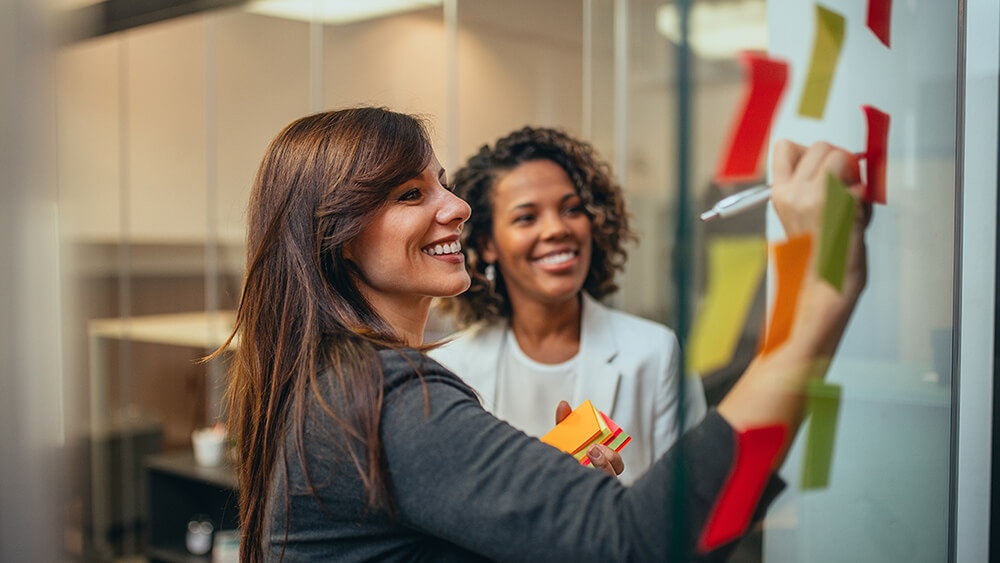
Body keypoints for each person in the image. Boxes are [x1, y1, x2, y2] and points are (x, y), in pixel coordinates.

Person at [217, 106, 871, 562]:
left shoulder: (336, 381)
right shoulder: (387, 395)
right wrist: (815, 305)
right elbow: (638, 544)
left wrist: (542, 496)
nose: (458, 206)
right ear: (338, 236)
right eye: (411, 194)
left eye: (441, 182)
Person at [429, 126, 707, 484]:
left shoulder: (654, 353)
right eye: (526, 217)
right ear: (487, 245)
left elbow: (695, 507)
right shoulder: (449, 367)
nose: (557, 229)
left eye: (572, 209)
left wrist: (606, 502)